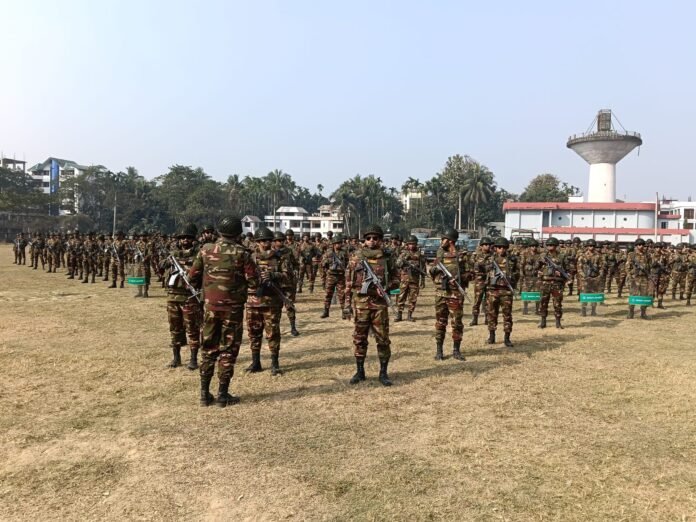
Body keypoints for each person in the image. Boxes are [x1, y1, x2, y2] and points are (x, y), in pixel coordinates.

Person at [188, 216, 257, 407]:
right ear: (238, 233)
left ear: (219, 231)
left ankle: (204, 394)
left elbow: (192, 277)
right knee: (228, 350)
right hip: (232, 309)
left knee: (208, 349)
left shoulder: (205, 250)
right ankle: (223, 394)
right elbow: (254, 281)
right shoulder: (242, 253)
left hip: (210, 308)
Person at [345, 224, 399, 386]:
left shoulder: (387, 258)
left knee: (383, 339)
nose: (372, 241)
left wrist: (387, 288)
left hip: (379, 306)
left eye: (375, 238)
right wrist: (347, 305)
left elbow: (397, 279)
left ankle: (383, 373)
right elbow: (348, 282)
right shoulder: (356, 257)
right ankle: (360, 371)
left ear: (380, 240)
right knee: (359, 339)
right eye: (368, 238)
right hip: (361, 304)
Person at [244, 227, 292, 375]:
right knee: (253, 332)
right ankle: (256, 362)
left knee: (273, 333)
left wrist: (273, 275)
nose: (266, 243)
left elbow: (288, 276)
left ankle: (274, 364)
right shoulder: (249, 258)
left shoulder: (280, 257)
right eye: (262, 240)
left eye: (268, 240)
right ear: (257, 242)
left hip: (272, 301)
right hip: (253, 300)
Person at [163, 223, 203, 369]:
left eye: (188, 237)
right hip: (173, 297)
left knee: (192, 329)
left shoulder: (199, 255)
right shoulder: (173, 254)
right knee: (175, 329)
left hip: (189, 297)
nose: (185, 240)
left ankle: (193, 359)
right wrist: (168, 262)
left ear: (193, 239)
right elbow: (161, 266)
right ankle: (176, 358)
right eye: (182, 238)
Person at [429, 228, 469, 360]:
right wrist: (436, 269)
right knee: (440, 323)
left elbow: (470, 274)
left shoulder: (461, 255)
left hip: (455, 294)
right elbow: (431, 272)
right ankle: (439, 351)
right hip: (441, 294)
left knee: (456, 323)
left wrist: (458, 278)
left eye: (443, 239)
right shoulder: (440, 254)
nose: (441, 241)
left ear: (450, 241)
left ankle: (456, 350)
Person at [485, 237, 519, 347]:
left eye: (504, 247)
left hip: (506, 291)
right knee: (491, 314)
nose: (502, 249)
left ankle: (507, 338)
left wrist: (511, 279)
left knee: (507, 315)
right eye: (499, 247)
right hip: (493, 291)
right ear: (495, 248)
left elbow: (517, 273)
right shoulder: (490, 259)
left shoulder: (512, 260)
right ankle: (492, 336)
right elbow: (482, 269)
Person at [536, 237, 570, 329]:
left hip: (557, 283)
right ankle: (543, 321)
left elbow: (568, 269)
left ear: (556, 246)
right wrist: (540, 270)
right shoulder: (542, 256)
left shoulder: (562, 256)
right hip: (545, 282)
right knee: (543, 302)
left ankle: (558, 322)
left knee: (557, 303)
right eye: (549, 245)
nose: (550, 246)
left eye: (552, 245)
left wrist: (562, 274)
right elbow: (536, 267)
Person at [394, 235, 426, 322]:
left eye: (413, 244)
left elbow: (423, 268)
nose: (411, 246)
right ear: (407, 244)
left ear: (416, 244)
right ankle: (399, 315)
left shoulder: (420, 255)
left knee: (413, 298)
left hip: (414, 280)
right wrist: (405, 258)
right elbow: (397, 264)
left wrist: (423, 281)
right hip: (404, 279)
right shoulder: (403, 253)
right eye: (410, 244)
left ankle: (410, 315)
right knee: (401, 297)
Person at [320, 234, 349, 319]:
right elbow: (322, 264)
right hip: (331, 276)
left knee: (342, 295)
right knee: (328, 294)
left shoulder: (344, 253)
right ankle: (326, 311)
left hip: (341, 277)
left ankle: (344, 312)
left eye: (340, 243)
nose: (338, 245)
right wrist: (327, 268)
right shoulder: (328, 253)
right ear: (333, 244)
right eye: (337, 243)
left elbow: (348, 264)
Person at [577, 239, 605, 317]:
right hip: (586, 278)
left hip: (595, 278)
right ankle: (583, 311)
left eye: (593, 246)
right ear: (587, 246)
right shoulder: (582, 256)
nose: (591, 247)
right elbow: (579, 267)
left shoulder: (598, 256)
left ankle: (593, 311)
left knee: (594, 295)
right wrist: (584, 276)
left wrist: (599, 276)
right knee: (584, 294)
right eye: (590, 246)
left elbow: (602, 267)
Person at [626, 238, 652, 319]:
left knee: (644, 296)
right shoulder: (631, 254)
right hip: (635, 278)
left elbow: (650, 266)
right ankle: (630, 313)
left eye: (642, 245)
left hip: (644, 278)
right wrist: (630, 276)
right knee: (633, 295)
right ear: (636, 246)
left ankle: (643, 313)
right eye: (639, 245)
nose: (641, 246)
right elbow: (627, 267)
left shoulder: (647, 255)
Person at [469, 237, 492, 326]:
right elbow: (471, 263)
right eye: (485, 245)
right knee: (477, 300)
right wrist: (478, 264)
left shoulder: (492, 255)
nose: (487, 246)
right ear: (481, 246)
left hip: (489, 280)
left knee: (488, 301)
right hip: (479, 280)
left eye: (489, 245)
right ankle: (475, 319)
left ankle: (487, 318)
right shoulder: (476, 255)